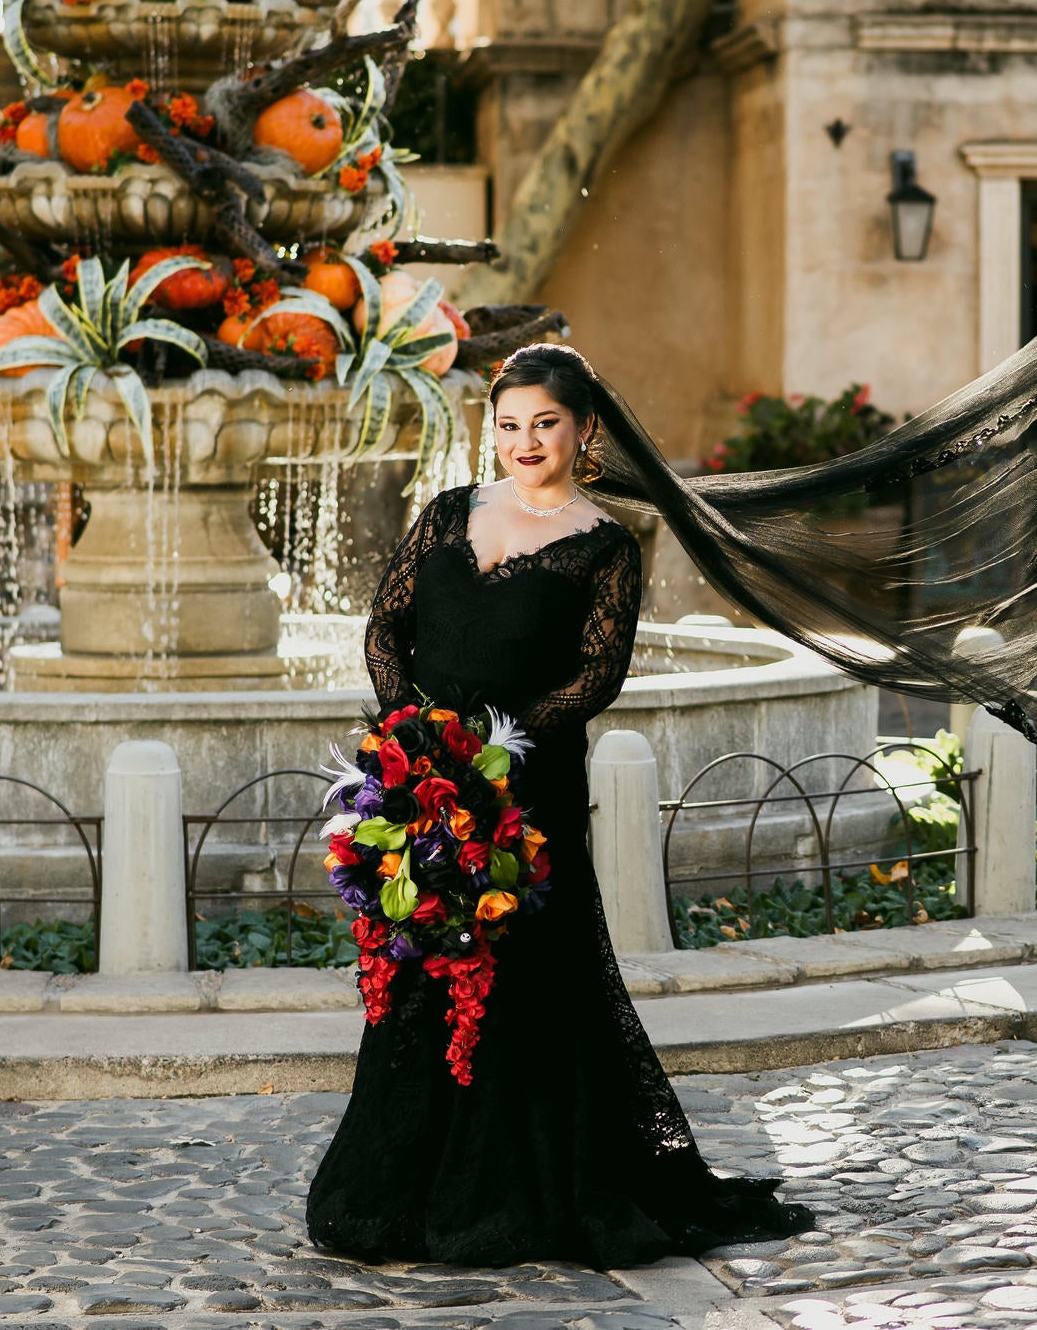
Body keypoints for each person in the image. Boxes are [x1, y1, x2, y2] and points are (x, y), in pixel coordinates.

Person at [307, 344, 815, 1268]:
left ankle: (513, 1190)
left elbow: (596, 673)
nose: (524, 441)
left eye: (544, 423)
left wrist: (495, 752)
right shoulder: (449, 513)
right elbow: (385, 623)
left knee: (525, 978)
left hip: (527, 793)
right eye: (507, 425)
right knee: (422, 967)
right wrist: (416, 733)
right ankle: (396, 1186)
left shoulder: (606, 543)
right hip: (424, 780)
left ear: (582, 430)